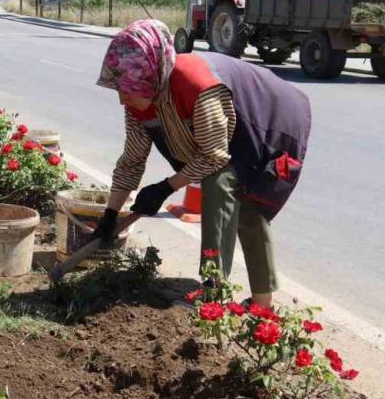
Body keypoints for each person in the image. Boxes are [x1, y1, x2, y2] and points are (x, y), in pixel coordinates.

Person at [91, 20, 311, 309]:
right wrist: (111, 213)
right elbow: (132, 159)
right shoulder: (137, 103)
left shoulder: (195, 84)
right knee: (242, 204)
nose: (122, 99)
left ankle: (215, 292)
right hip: (224, 134)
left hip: (269, 123)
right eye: (120, 90)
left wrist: (165, 188)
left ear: (150, 77)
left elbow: (213, 156)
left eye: (128, 90)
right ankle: (262, 305)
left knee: (229, 191)